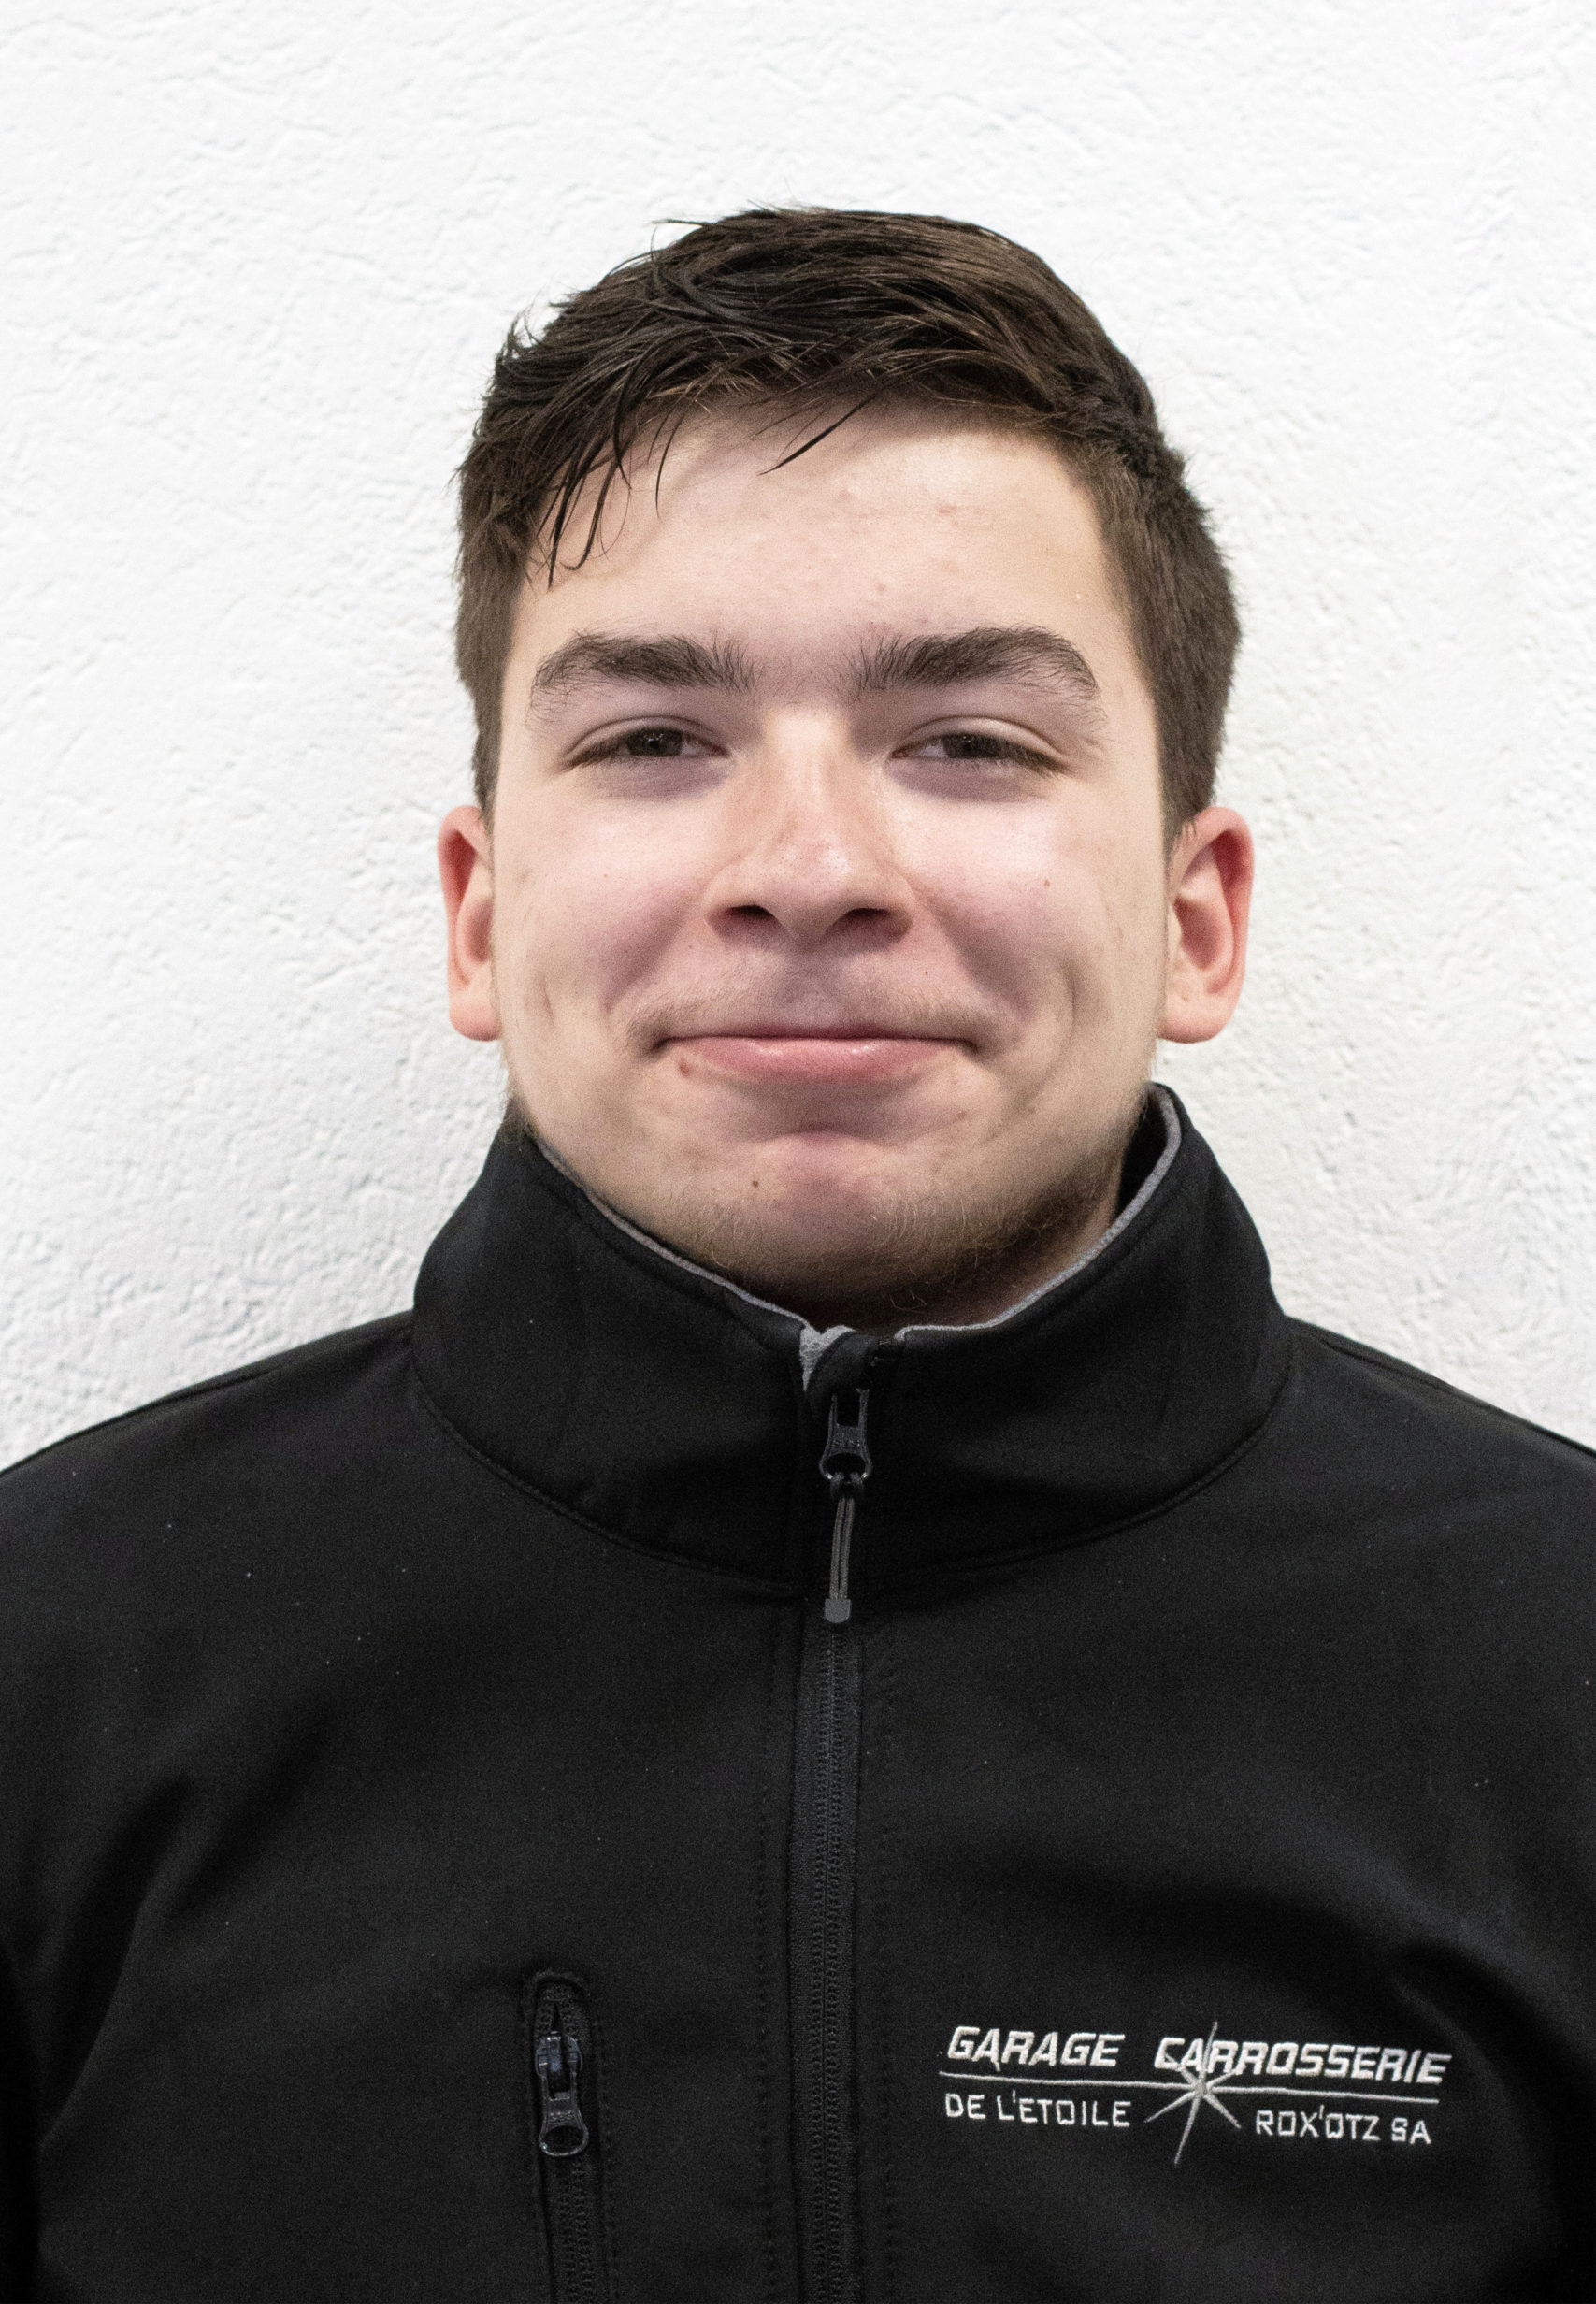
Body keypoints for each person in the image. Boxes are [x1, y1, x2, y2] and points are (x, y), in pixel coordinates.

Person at [0, 208, 1589, 2304]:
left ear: (1194, 916)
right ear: (479, 910)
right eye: (655, 738)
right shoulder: (52, 1663)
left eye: (969, 740)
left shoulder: (1557, 1665)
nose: (812, 869)